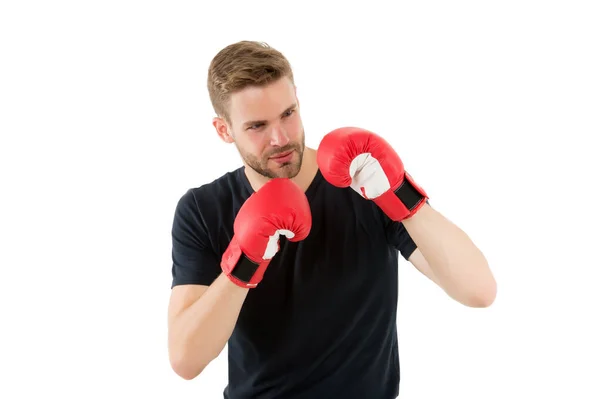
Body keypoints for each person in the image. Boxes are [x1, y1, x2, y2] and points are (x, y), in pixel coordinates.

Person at [167, 40, 497, 399]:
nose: (280, 138)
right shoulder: (204, 208)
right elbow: (186, 360)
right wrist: (245, 263)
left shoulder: (362, 181)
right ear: (223, 130)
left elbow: (479, 291)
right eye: (257, 126)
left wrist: (400, 195)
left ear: (297, 99)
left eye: (288, 114)